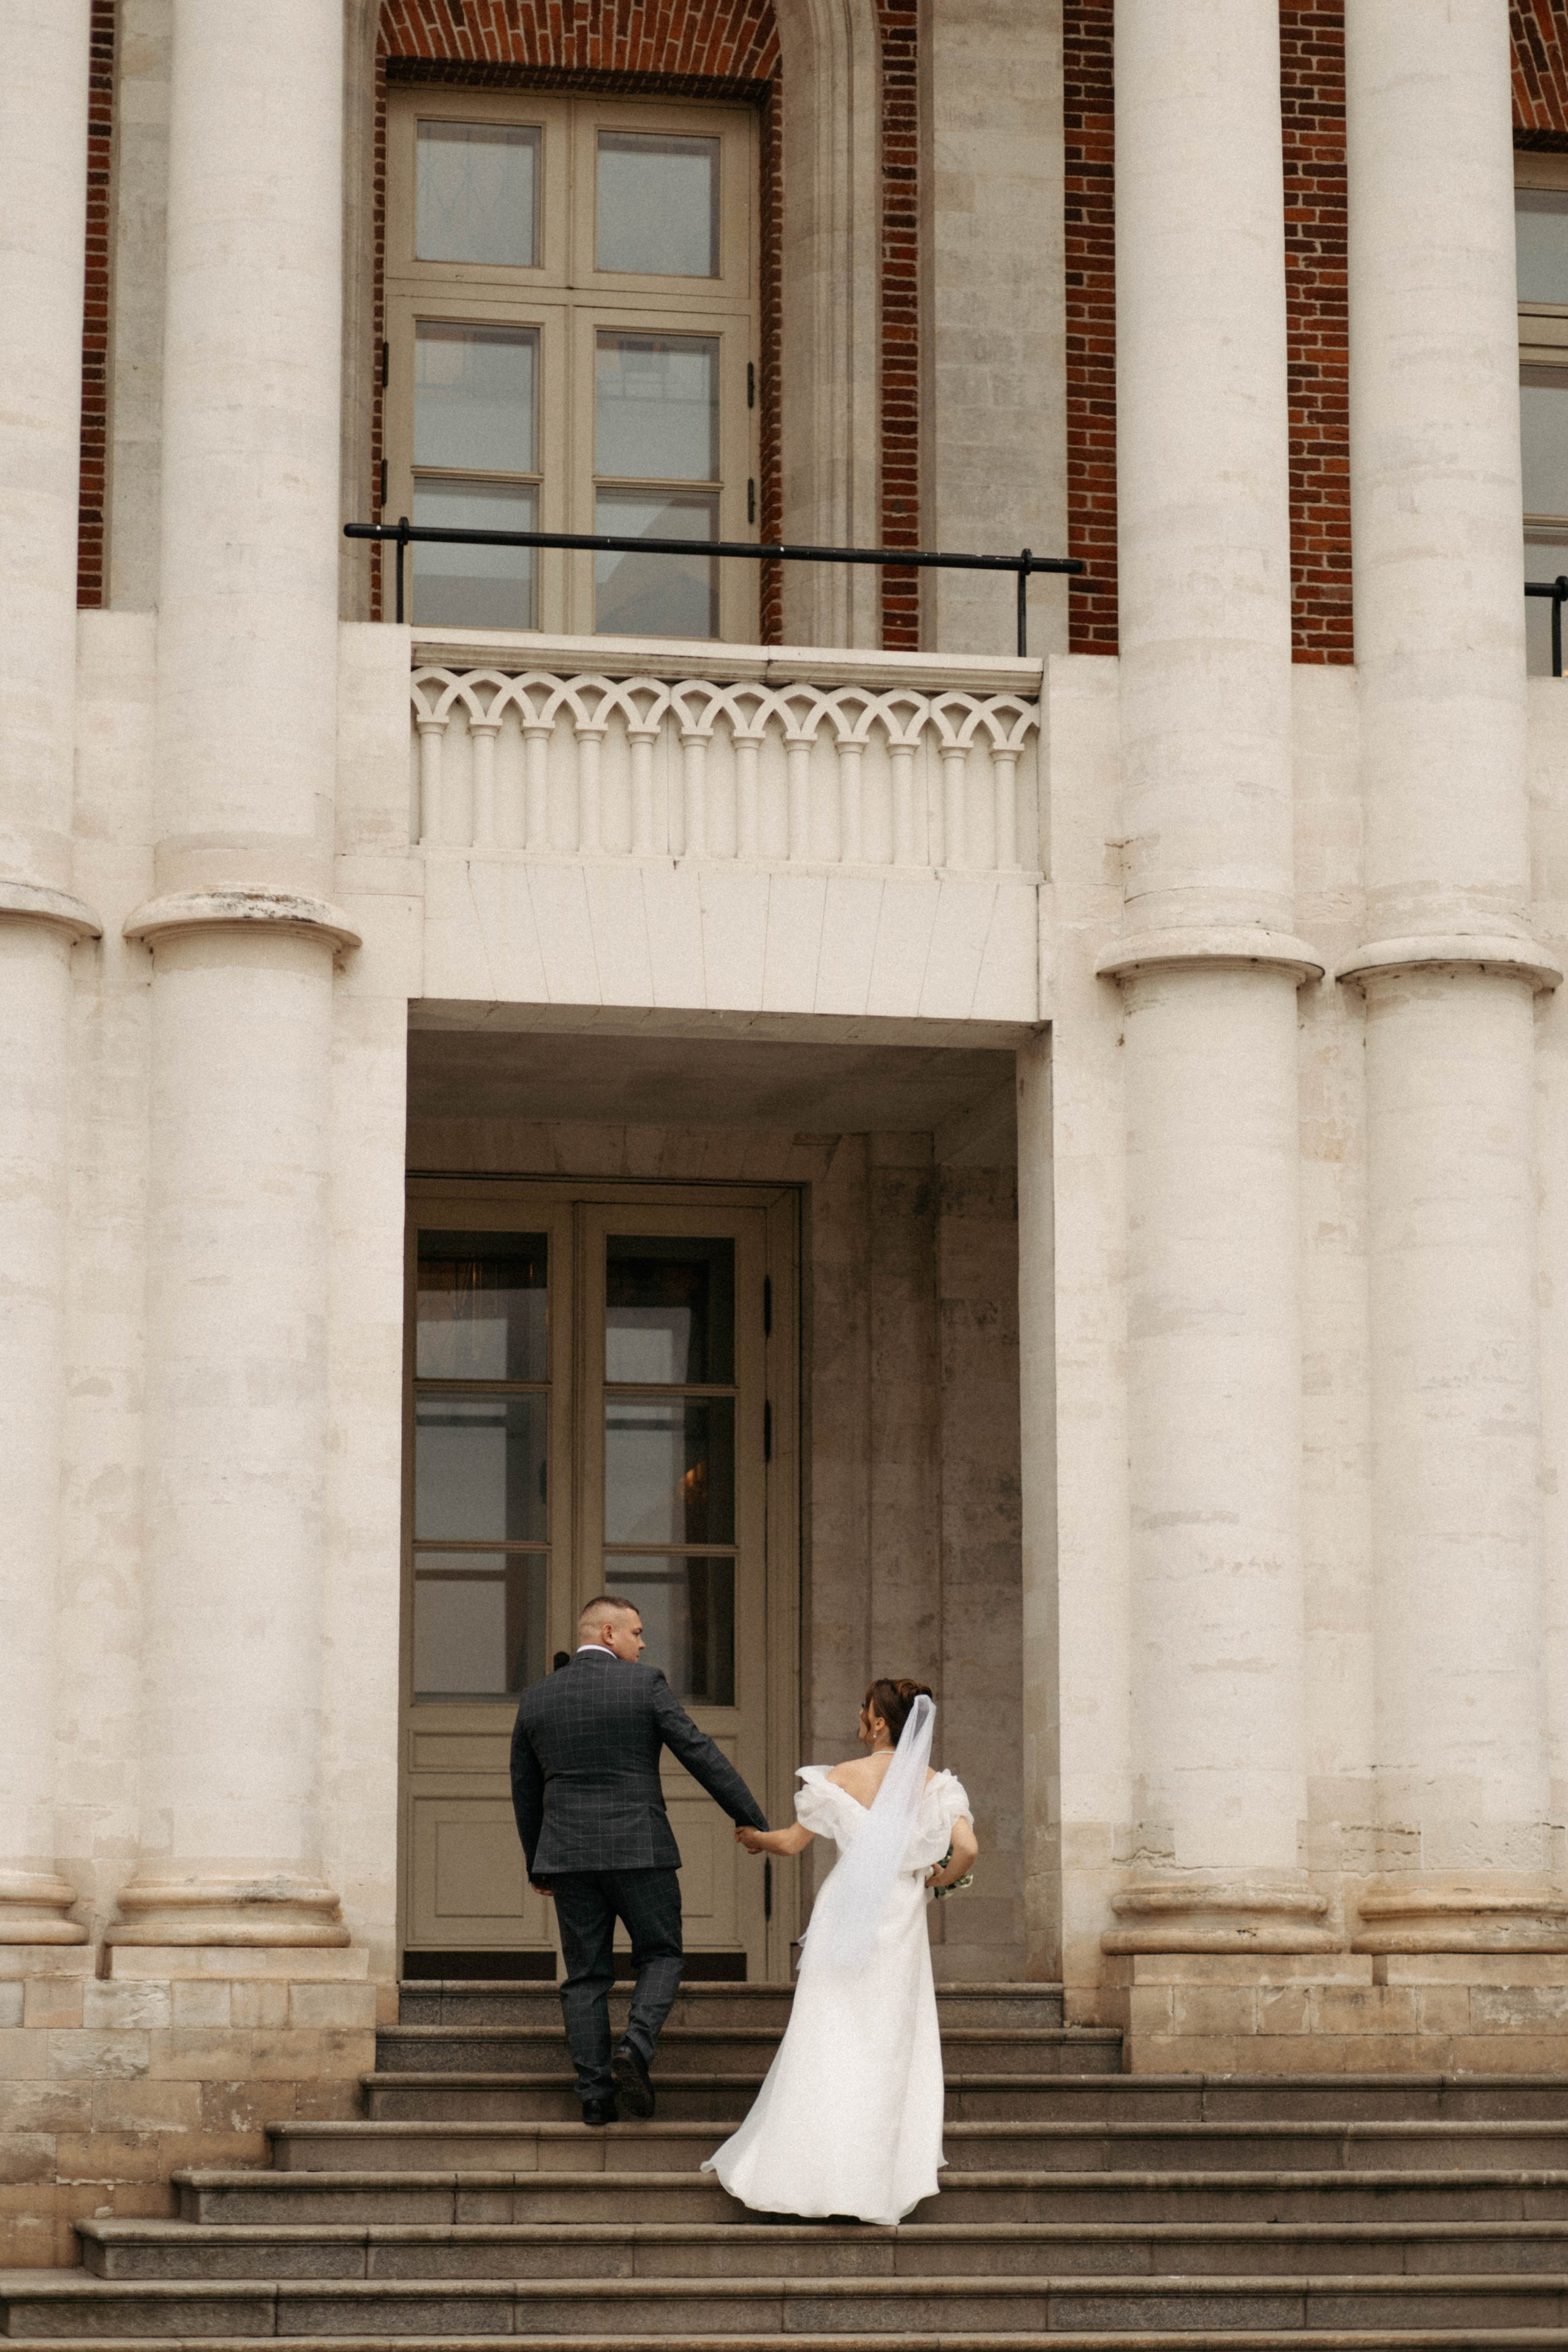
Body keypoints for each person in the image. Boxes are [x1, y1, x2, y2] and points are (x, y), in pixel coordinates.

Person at [704, 1677, 978, 2225]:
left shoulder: (842, 1778)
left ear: (879, 1722)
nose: (859, 1715)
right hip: (900, 1922)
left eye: (864, 1710)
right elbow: (968, 1849)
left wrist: (756, 1839)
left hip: (846, 1917)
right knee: (889, 2041)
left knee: (828, 2032)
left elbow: (788, 1842)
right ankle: (879, 2176)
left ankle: (805, 2171)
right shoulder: (939, 1786)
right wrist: (935, 1879)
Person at [510, 1594, 769, 2127]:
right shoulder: (644, 1684)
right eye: (636, 1632)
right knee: (661, 1954)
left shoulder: (537, 1698)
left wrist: (538, 1860)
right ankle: (635, 2047)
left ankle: (595, 2096)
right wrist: (750, 1819)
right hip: (639, 1848)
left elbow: (524, 1786)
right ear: (608, 1633)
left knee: (584, 1976)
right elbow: (699, 1751)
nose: (644, 1642)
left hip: (568, 1855)